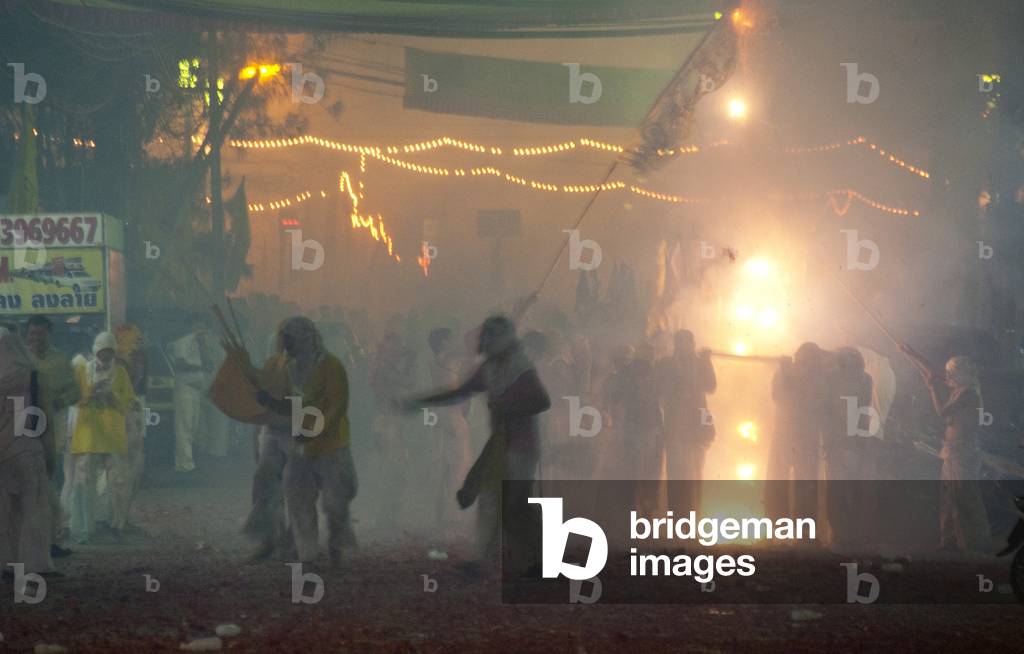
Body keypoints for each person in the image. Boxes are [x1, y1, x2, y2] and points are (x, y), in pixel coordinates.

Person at [404, 315, 551, 577]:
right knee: (491, 500)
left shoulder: (520, 366)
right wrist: (423, 400)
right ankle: (483, 560)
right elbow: (461, 392)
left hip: (522, 445)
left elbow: (541, 401)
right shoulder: (490, 368)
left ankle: (535, 562)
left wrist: (508, 407)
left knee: (517, 504)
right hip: (501, 443)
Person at [245, 317, 357, 565]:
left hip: (326, 443)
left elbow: (336, 406)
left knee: (334, 502)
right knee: (286, 494)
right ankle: (299, 552)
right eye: (283, 337)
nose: (285, 343)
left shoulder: (330, 367)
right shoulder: (277, 364)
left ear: (307, 339)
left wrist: (312, 432)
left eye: (290, 338)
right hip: (287, 437)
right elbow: (285, 403)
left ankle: (334, 545)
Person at [901, 345, 991, 552]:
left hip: (963, 452)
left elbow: (942, 412)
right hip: (954, 451)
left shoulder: (968, 393)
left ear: (962, 373)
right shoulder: (960, 389)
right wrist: (912, 353)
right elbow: (936, 371)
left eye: (952, 372)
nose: (947, 376)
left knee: (965, 497)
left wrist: (931, 387)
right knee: (949, 497)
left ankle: (976, 545)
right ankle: (949, 542)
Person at [65, 332, 135, 543]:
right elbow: (72, 398)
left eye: (110, 351)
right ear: (96, 350)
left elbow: (130, 401)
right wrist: (90, 394)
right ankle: (84, 529)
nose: (106, 355)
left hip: (113, 436)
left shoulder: (121, 373)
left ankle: (116, 525)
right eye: (103, 350)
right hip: (88, 436)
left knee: (118, 482)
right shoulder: (81, 370)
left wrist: (112, 397)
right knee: (84, 484)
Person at [235, 321, 295, 562]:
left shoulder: (301, 371)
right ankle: (270, 540)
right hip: (271, 434)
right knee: (265, 488)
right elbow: (259, 409)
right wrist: (257, 438)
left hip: (293, 433)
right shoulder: (269, 371)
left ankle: (294, 542)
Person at [24, 315, 80, 557]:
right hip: (21, 429)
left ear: (49, 335)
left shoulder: (60, 360)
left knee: (47, 481)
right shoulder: (19, 360)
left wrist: (57, 402)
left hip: (52, 428)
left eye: (41, 335)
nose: (36, 339)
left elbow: (75, 391)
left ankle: (49, 541)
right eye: (32, 334)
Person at [0, 328, 54, 577]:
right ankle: (34, 564)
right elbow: (45, 419)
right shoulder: (33, 375)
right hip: (27, 449)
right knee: (33, 507)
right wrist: (50, 454)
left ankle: (6, 564)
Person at [766, 342, 826, 528]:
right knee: (779, 483)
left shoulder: (819, 378)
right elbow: (779, 398)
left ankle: (805, 532)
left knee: (806, 485)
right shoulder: (784, 373)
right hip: (785, 435)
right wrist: (786, 373)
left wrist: (788, 374)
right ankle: (779, 530)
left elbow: (810, 401)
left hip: (806, 436)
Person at [656, 330, 717, 515]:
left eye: (688, 342)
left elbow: (711, 386)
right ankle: (678, 519)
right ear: (676, 344)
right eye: (681, 342)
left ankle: (693, 516)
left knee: (696, 473)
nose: (685, 346)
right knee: (677, 474)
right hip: (675, 426)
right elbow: (660, 389)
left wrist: (707, 362)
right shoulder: (666, 364)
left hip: (698, 426)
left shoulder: (700, 362)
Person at [823, 347, 875, 546]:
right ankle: (841, 533)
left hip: (850, 442)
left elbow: (861, 410)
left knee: (846, 489)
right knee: (840, 490)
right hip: (841, 441)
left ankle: (847, 533)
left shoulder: (862, 380)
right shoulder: (839, 379)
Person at [105, 324, 148, 534]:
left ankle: (121, 520)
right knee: (119, 475)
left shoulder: (136, 359)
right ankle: (116, 521)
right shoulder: (115, 365)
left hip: (132, 419)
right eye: (135, 336)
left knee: (131, 473)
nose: (139, 340)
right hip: (119, 423)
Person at [428, 327, 472, 528]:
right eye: (450, 339)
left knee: (444, 464)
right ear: (444, 342)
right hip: (451, 417)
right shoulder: (446, 358)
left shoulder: (439, 360)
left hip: (443, 416)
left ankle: (442, 512)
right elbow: (470, 348)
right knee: (457, 464)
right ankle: (452, 515)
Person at [170, 317, 223, 472]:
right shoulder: (182, 342)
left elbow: (208, 364)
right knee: (184, 426)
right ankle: (184, 464)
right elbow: (179, 365)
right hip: (185, 388)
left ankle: (189, 460)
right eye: (198, 326)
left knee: (194, 426)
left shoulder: (203, 344)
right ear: (191, 326)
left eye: (204, 327)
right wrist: (199, 367)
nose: (202, 330)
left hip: (197, 389)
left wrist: (202, 346)